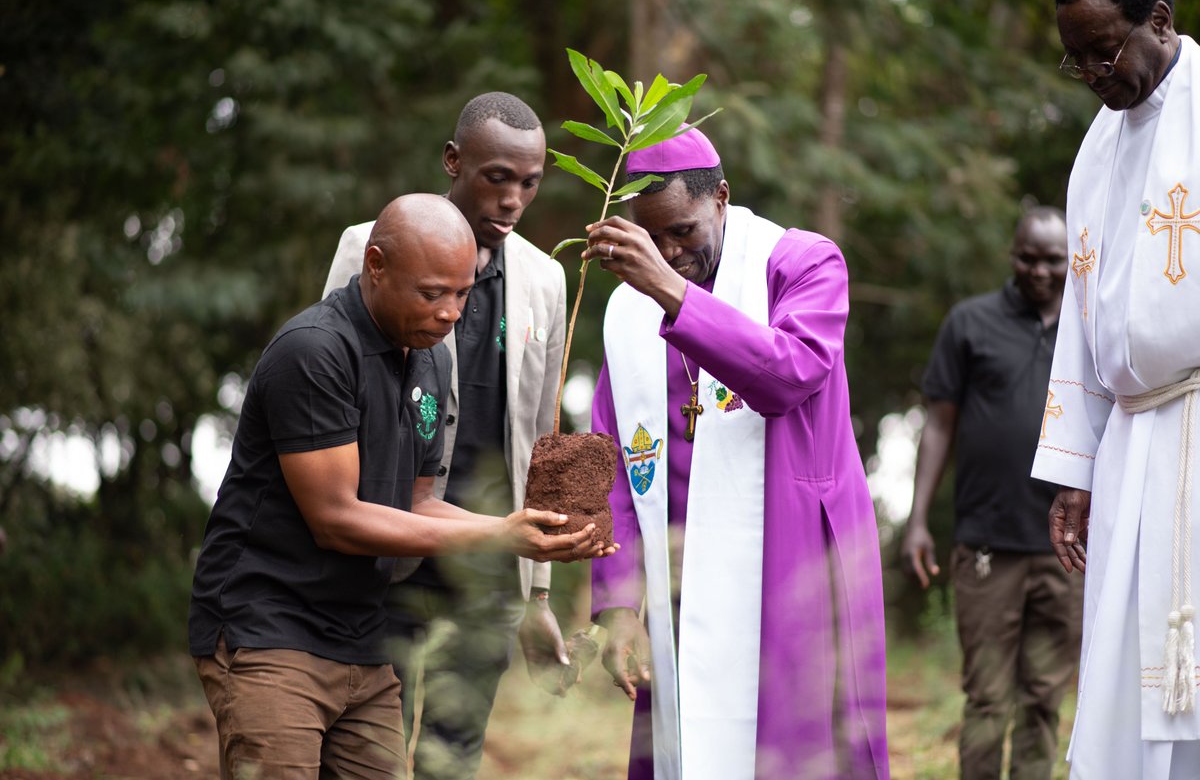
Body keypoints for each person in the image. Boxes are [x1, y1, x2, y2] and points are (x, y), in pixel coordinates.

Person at [188, 194, 608, 780]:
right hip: (271, 632)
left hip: (362, 639)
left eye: (461, 294)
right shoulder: (313, 352)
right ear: (376, 266)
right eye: (432, 293)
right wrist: (496, 535)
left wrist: (523, 535)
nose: (451, 313)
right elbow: (336, 518)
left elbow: (418, 501)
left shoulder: (428, 358)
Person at [586, 127, 889, 780]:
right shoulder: (625, 311)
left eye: (684, 232)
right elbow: (611, 457)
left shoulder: (802, 264)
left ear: (721, 197)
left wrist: (669, 291)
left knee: (801, 749)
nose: (669, 253)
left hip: (791, 562)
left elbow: (788, 373)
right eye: (653, 236)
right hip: (679, 585)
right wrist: (615, 603)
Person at [321, 92, 569, 780]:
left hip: (486, 564)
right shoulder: (365, 246)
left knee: (453, 757)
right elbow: (329, 391)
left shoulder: (545, 279)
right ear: (453, 160)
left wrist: (537, 593)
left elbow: (541, 439)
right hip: (384, 551)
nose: (514, 198)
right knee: (365, 752)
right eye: (497, 176)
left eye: (530, 181)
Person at [1035, 0, 1200, 776]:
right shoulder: (1096, 145)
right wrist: (1076, 468)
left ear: (1159, 22)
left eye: (1105, 51)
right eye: (1077, 62)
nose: (1096, 74)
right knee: (1125, 658)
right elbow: (1081, 312)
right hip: (1131, 440)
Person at [901, 207, 1082, 780]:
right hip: (986, 545)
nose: (1040, 271)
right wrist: (918, 519)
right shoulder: (970, 323)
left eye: (1053, 260)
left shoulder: (1089, 327)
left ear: (1070, 260)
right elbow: (939, 424)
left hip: (1068, 551)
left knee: (1043, 699)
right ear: (1013, 255)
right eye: (1028, 258)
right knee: (987, 699)